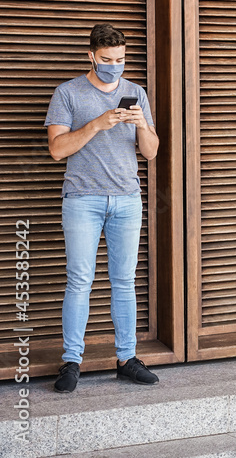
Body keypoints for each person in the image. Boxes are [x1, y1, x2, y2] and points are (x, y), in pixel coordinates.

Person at [44, 23, 160, 392]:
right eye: (107, 59)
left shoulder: (135, 92)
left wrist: (142, 124)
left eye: (121, 59)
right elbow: (57, 149)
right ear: (91, 56)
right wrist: (97, 123)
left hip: (127, 199)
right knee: (80, 281)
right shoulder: (68, 93)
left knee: (124, 281)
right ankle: (72, 362)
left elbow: (152, 151)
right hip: (83, 199)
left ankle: (127, 359)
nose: (115, 66)